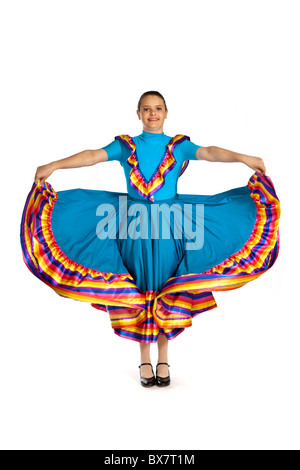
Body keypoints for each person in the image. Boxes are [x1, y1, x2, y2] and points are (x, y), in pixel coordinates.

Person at [20, 91, 281, 388]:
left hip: (171, 226)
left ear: (167, 113)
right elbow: (92, 156)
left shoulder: (178, 147)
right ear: (138, 114)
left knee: (164, 285)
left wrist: (243, 158)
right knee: (143, 286)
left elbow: (209, 152)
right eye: (147, 109)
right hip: (133, 226)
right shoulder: (125, 146)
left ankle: (164, 357)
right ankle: (145, 357)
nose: (152, 114)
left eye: (158, 109)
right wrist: (55, 165)